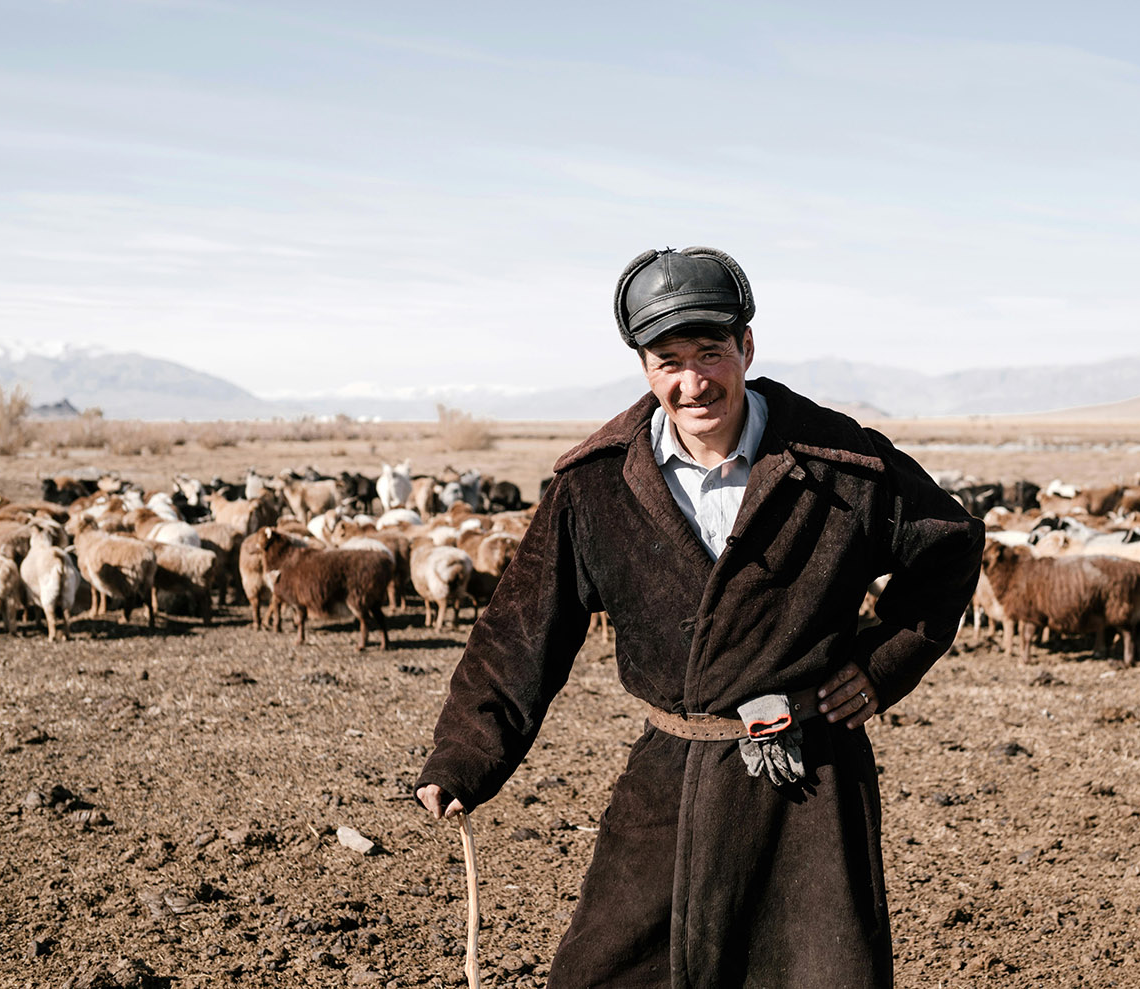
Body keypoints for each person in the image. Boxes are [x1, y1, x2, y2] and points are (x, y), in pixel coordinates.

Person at [416, 246, 983, 987]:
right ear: (645, 368)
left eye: (710, 352)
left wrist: (882, 665)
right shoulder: (597, 484)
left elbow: (949, 545)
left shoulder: (842, 460)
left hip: (808, 782)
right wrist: (466, 752)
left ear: (746, 347)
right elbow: (523, 627)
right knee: (606, 972)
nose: (693, 382)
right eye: (668, 360)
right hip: (670, 779)